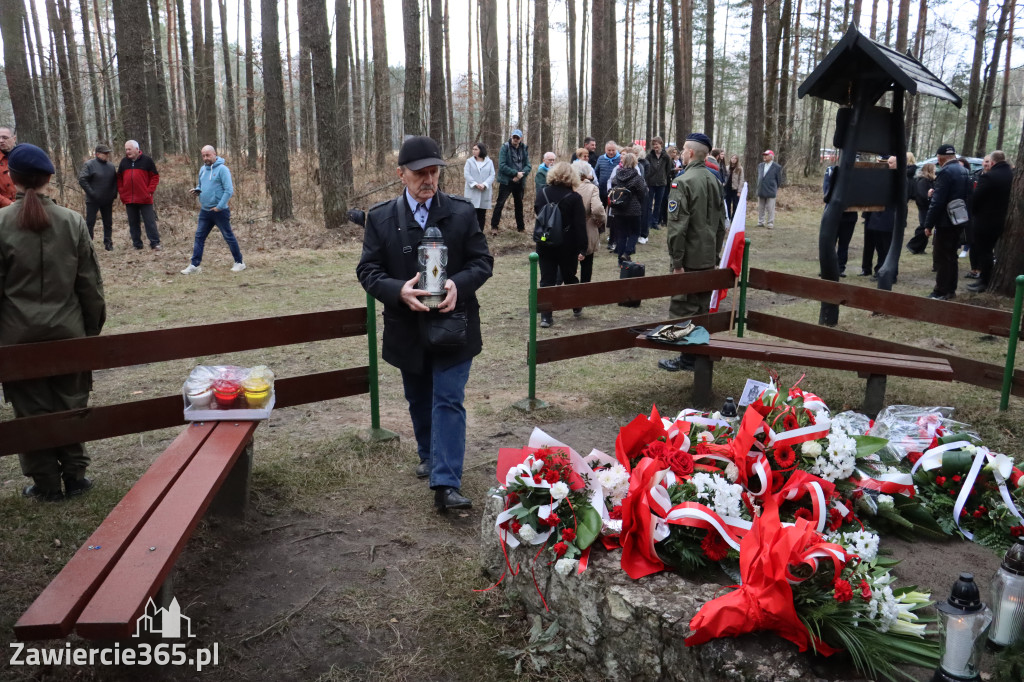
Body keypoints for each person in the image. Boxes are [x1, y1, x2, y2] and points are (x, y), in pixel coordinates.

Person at [356, 136, 493, 512]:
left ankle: (446, 483)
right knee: (419, 397)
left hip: (455, 326)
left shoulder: (462, 213)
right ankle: (429, 454)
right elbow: (367, 270)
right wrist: (398, 290)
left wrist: (457, 285)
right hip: (407, 329)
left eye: (433, 172)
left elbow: (482, 262)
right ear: (401, 174)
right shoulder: (381, 217)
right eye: (419, 173)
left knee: (448, 398)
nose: (428, 179)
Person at [0, 144, 106, 501]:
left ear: (11, 178)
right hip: (68, 332)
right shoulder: (73, 221)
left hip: (17, 338)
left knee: (30, 411)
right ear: (49, 178)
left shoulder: (0, 225)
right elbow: (90, 286)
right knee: (70, 403)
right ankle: (75, 477)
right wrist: (90, 334)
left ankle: (45, 483)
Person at [659, 133, 727, 372]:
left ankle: (687, 358)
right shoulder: (715, 181)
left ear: (689, 153)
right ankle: (696, 355)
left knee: (683, 308)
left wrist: (677, 262)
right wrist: (716, 255)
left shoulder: (683, 182)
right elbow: (721, 225)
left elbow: (677, 228)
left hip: (688, 259)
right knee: (700, 307)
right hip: (707, 257)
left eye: (683, 150)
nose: (682, 154)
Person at [535, 162, 587, 328]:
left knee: (546, 280)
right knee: (569, 277)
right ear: (572, 177)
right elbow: (580, 225)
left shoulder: (542, 193)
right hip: (568, 245)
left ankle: (546, 317)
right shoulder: (575, 198)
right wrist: (582, 248)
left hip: (545, 242)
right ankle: (576, 305)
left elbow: (539, 213)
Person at [180, 145, 245, 274]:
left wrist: (220, 206)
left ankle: (239, 262)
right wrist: (198, 190)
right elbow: (201, 185)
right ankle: (195, 265)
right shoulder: (202, 169)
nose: (206, 158)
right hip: (205, 211)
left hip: (219, 211)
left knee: (228, 236)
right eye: (203, 155)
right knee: (199, 237)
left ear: (215, 154)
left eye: (208, 155)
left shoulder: (223, 170)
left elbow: (229, 190)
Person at [923, 144, 970, 300]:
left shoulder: (945, 172)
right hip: (959, 219)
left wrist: (928, 224)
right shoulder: (964, 171)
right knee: (952, 256)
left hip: (945, 221)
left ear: (940, 157)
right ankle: (950, 289)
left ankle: (941, 290)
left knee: (943, 257)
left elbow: (938, 201)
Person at [967, 150, 1013, 293]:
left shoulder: (989, 177)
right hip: (1003, 218)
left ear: (992, 162)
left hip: (986, 219)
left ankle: (984, 280)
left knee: (984, 251)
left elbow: (976, 198)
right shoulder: (1012, 175)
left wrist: (973, 212)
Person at [117, 140, 161, 250]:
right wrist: (122, 193)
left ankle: (155, 243)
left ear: (137, 149)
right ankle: (137, 244)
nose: (127, 152)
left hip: (145, 198)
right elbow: (119, 179)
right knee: (133, 223)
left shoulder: (147, 161)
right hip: (129, 199)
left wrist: (149, 191)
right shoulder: (123, 162)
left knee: (150, 222)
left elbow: (155, 177)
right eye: (126, 149)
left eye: (129, 149)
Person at [572, 159, 606, 292]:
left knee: (569, 263)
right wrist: (601, 220)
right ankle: (584, 292)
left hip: (570, 229)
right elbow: (597, 209)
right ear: (587, 173)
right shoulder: (592, 188)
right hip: (587, 226)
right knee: (587, 262)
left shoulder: (568, 186)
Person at [608, 152, 647, 263]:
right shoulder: (637, 177)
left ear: (623, 162)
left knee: (621, 234)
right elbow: (642, 193)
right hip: (633, 209)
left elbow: (612, 188)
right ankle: (627, 252)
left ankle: (620, 260)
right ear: (635, 163)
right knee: (635, 232)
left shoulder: (617, 176)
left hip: (618, 209)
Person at [77, 144, 118, 251]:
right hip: (93, 200)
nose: (107, 155)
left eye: (108, 153)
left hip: (107, 200)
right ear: (98, 154)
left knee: (108, 222)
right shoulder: (89, 165)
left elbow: (115, 181)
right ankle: (88, 244)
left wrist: (114, 194)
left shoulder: (111, 166)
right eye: (105, 153)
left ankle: (108, 243)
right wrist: (92, 193)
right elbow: (82, 180)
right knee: (90, 222)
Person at [491, 129, 531, 233]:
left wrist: (521, 175)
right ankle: (494, 227)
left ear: (521, 138)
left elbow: (528, 165)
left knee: (519, 205)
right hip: (506, 181)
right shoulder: (505, 147)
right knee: (500, 203)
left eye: (517, 137)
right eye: (514, 137)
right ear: (511, 137)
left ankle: (521, 228)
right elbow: (502, 165)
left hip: (519, 181)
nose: (515, 139)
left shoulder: (524, 148)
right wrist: (515, 173)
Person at [823, 164, 856, 277]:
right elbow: (827, 189)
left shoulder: (857, 173)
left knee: (844, 244)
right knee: (830, 242)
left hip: (850, 215)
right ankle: (827, 267)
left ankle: (840, 268)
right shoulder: (832, 170)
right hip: (833, 212)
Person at [463, 142, 494, 232]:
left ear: (481, 150)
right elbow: (467, 174)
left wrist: (484, 184)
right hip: (472, 190)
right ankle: (471, 232)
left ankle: (480, 232)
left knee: (482, 214)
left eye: (476, 149)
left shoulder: (489, 162)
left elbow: (492, 175)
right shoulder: (469, 161)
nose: (473, 151)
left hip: (484, 191)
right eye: (473, 149)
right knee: (472, 212)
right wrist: (475, 184)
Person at [906, 162, 936, 254]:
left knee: (925, 227)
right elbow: (922, 195)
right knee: (924, 226)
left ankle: (919, 248)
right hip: (924, 206)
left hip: (927, 206)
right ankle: (913, 245)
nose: (935, 171)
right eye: (934, 169)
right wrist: (929, 196)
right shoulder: (923, 181)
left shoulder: (930, 181)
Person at [646, 137, 671, 232]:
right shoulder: (649, 156)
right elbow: (646, 167)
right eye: (654, 144)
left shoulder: (666, 156)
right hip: (650, 182)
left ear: (661, 144)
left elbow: (668, 169)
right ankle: (648, 221)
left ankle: (655, 222)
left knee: (658, 204)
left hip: (661, 183)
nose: (655, 146)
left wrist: (663, 176)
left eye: (657, 144)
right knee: (649, 203)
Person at [756, 149, 784, 229]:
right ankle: (760, 222)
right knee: (761, 207)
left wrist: (774, 187)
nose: (764, 157)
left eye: (766, 155)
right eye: (764, 155)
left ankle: (770, 223)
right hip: (761, 189)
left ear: (771, 157)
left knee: (770, 208)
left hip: (771, 190)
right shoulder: (760, 165)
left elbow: (779, 180)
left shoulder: (777, 167)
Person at [595, 141, 620, 206]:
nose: (611, 152)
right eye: (609, 150)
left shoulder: (620, 158)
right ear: (605, 150)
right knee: (601, 207)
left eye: (613, 150)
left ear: (616, 150)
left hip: (615, 189)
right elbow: (596, 172)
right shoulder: (601, 158)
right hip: (602, 189)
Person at [0, 126, 17, 207]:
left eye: (4, 137)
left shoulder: (23, 156)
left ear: (14, 139)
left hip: (25, 205)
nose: (1, 141)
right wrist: (10, 204)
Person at [723, 154, 744, 220]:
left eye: (735, 158)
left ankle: (734, 218)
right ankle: (728, 217)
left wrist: (739, 191)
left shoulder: (740, 168)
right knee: (727, 204)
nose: (733, 160)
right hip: (727, 188)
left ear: (737, 160)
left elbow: (741, 180)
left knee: (735, 204)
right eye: (732, 158)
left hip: (735, 189)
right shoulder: (727, 167)